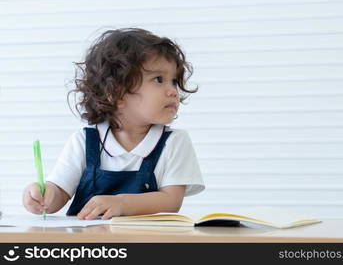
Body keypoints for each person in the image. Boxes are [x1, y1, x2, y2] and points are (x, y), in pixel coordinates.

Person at [22, 28, 205, 220]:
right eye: (158, 79)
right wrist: (43, 196)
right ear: (116, 93)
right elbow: (60, 191)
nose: (173, 91)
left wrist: (121, 203)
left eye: (174, 81)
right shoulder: (84, 141)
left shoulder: (175, 141)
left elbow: (171, 201)